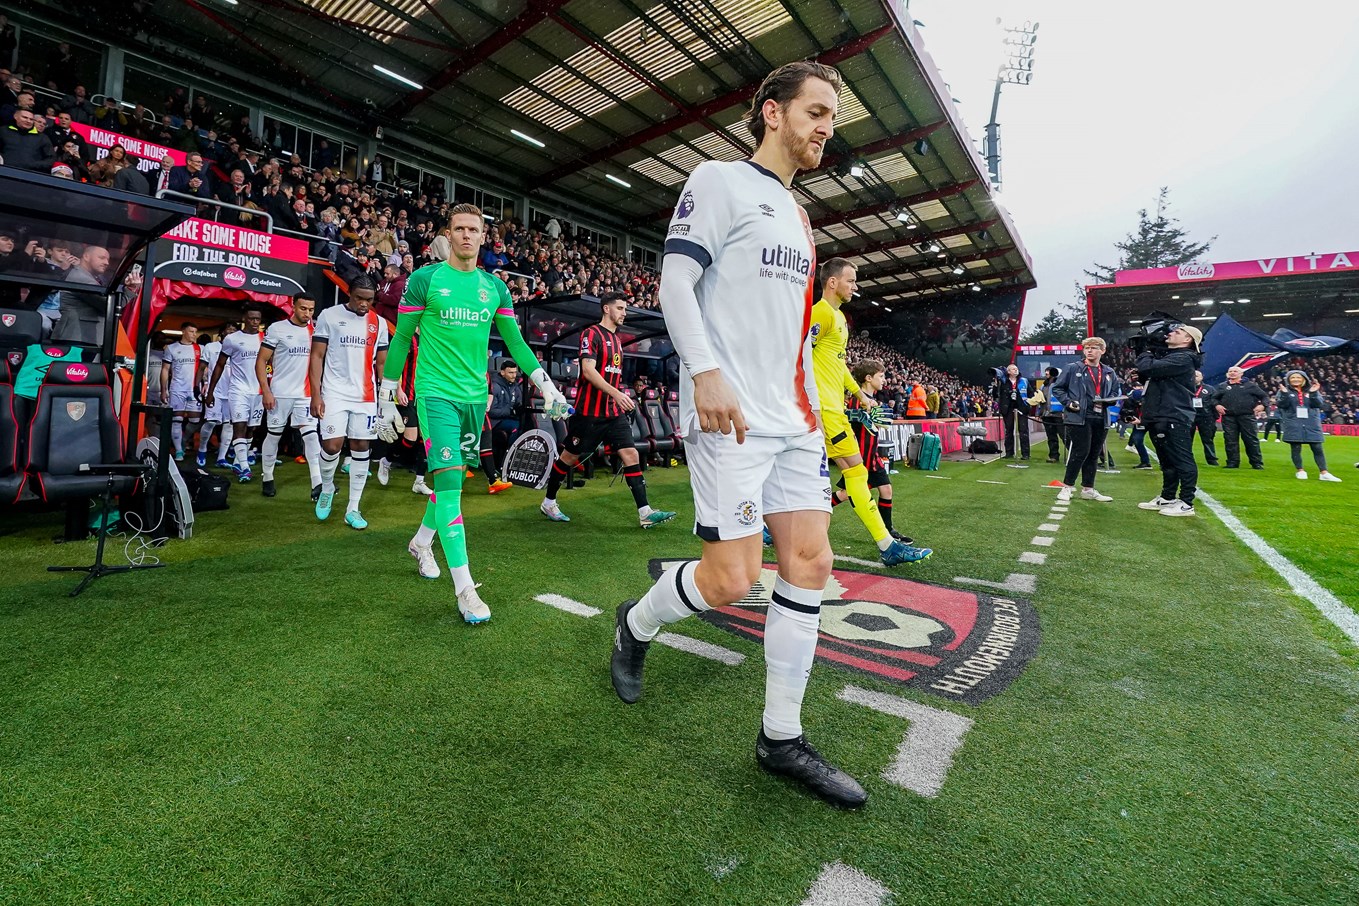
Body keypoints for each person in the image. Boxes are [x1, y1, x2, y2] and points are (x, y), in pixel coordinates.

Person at [609, 61, 868, 809]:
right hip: (728, 414)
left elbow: (788, 331)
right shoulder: (717, 180)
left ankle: (780, 739)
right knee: (728, 581)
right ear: (770, 112)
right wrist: (704, 372)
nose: (825, 127)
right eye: (815, 111)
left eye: (831, 117)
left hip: (791, 422)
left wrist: (814, 415)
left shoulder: (799, 216)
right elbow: (674, 284)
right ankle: (635, 622)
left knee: (809, 566)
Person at [377, 203, 570, 622]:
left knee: (451, 485)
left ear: (484, 237)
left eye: (474, 230)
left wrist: (546, 384)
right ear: (449, 234)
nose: (467, 235)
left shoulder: (494, 288)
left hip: (473, 399)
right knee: (449, 486)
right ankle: (465, 589)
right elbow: (402, 338)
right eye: (460, 229)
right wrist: (386, 394)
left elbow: (515, 344)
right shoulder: (425, 280)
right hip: (434, 396)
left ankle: (420, 542)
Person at [809, 258, 927, 564]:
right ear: (832, 282)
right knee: (851, 472)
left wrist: (860, 395)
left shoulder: (839, 318)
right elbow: (800, 357)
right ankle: (887, 545)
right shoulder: (821, 312)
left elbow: (837, 364)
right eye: (850, 280)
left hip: (833, 408)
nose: (854, 286)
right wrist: (813, 407)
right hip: (823, 409)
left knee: (855, 473)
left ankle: (887, 545)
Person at [540, 292, 677, 528]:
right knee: (570, 458)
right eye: (621, 308)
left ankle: (645, 512)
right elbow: (588, 371)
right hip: (589, 413)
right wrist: (617, 393)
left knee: (631, 455)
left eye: (625, 309)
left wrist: (621, 397)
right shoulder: (591, 334)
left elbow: (611, 377)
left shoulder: (617, 341)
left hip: (613, 413)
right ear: (606, 309)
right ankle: (549, 502)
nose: (625, 313)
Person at [310, 276, 388, 529]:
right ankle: (328, 487)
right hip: (334, 392)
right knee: (332, 446)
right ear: (349, 294)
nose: (365, 304)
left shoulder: (379, 323)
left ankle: (353, 508)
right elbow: (317, 356)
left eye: (369, 300)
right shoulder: (329, 316)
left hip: (365, 396)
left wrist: (385, 399)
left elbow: (382, 364)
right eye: (360, 298)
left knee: (361, 446)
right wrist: (315, 394)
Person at [831, 358, 914, 544]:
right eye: (881, 376)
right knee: (845, 494)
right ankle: (815, 511)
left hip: (872, 456)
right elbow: (847, 422)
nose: (884, 380)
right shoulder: (855, 401)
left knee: (886, 490)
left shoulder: (872, 401)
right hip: (858, 458)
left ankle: (888, 530)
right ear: (868, 378)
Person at [256, 293, 323, 499]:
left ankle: (317, 483)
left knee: (311, 436)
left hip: (306, 394)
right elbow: (261, 361)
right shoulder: (278, 329)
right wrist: (266, 390)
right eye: (303, 308)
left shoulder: (317, 331)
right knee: (274, 435)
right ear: (293, 307)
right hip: (280, 393)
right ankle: (267, 477)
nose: (308, 313)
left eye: (311, 309)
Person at [1135, 324, 1203, 517]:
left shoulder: (1184, 358)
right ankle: (1168, 497)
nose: (1171, 333)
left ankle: (1187, 503)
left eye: (1178, 332)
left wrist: (1146, 350)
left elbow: (1148, 367)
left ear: (1187, 340)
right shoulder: (1172, 357)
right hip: (1161, 413)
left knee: (1182, 459)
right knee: (1167, 460)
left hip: (1174, 414)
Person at [1050, 336, 1118, 503]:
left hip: (1101, 416)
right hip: (1079, 416)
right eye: (1086, 347)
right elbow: (1057, 388)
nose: (1089, 350)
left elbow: (1115, 393)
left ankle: (1088, 488)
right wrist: (1068, 402)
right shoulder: (1073, 368)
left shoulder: (1109, 372)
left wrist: (1110, 400)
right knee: (1080, 451)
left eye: (1094, 347)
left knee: (1094, 454)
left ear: (1102, 350)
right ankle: (1067, 487)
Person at [205, 306, 265, 482]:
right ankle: (245, 468)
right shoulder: (232, 339)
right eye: (252, 318)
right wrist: (211, 392)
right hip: (238, 390)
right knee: (239, 425)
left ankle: (239, 461)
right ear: (244, 319)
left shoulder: (265, 338)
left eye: (258, 319)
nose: (255, 322)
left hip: (259, 391)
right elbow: (219, 365)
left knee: (251, 429)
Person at [1276, 369, 1341, 482]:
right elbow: (1282, 405)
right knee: (1295, 447)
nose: (1296, 379)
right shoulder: (1284, 391)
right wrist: (1285, 394)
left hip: (1311, 422)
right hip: (1293, 422)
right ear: (1288, 380)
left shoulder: (1312, 390)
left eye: (1298, 377)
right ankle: (1300, 470)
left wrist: (1314, 393)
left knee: (1317, 447)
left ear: (1304, 379)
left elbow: (1319, 404)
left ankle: (1324, 472)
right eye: (1293, 378)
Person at [1211, 366, 1268, 469]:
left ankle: (1256, 463)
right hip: (1229, 417)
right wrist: (1217, 405)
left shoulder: (1250, 385)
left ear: (1241, 373)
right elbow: (1214, 398)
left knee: (1251, 440)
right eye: (1230, 371)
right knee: (1230, 440)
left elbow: (1264, 396)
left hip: (1247, 416)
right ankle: (1232, 462)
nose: (1232, 373)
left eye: (1235, 371)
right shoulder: (1222, 386)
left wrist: (1262, 405)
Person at [159, 323, 201, 462]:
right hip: (177, 389)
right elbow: (165, 369)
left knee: (195, 420)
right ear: (183, 331)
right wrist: (164, 390)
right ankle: (178, 451)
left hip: (194, 389)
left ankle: (183, 439)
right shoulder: (171, 348)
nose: (194, 334)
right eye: (191, 331)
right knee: (176, 420)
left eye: (195, 332)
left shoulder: (199, 349)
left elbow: (204, 369)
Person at [995, 363, 1032, 460]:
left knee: (1023, 431)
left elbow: (1031, 393)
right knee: (1009, 431)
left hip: (1022, 408)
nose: (1016, 370)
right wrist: (996, 383)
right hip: (1008, 408)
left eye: (1016, 369)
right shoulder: (1003, 381)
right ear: (1008, 372)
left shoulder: (1024, 381)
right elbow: (996, 395)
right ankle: (1009, 452)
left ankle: (1025, 454)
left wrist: (1028, 404)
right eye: (1013, 369)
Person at [1189, 370, 1220, 465]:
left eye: (1197, 375)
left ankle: (1212, 459)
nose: (1195, 377)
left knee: (1208, 439)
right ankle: (1187, 459)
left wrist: (1215, 416)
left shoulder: (1209, 389)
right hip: (1189, 416)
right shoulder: (1184, 387)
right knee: (1187, 439)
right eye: (1193, 375)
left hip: (1206, 417)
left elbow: (1215, 402)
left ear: (1202, 377)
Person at [1039, 366, 1066, 463]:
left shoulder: (1062, 384)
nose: (1046, 373)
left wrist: (1064, 411)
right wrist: (1040, 412)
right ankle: (1054, 456)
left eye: (1049, 372)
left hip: (1059, 414)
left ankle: (1074, 455)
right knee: (1051, 437)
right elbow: (1040, 400)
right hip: (1046, 414)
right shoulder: (1043, 386)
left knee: (1064, 436)